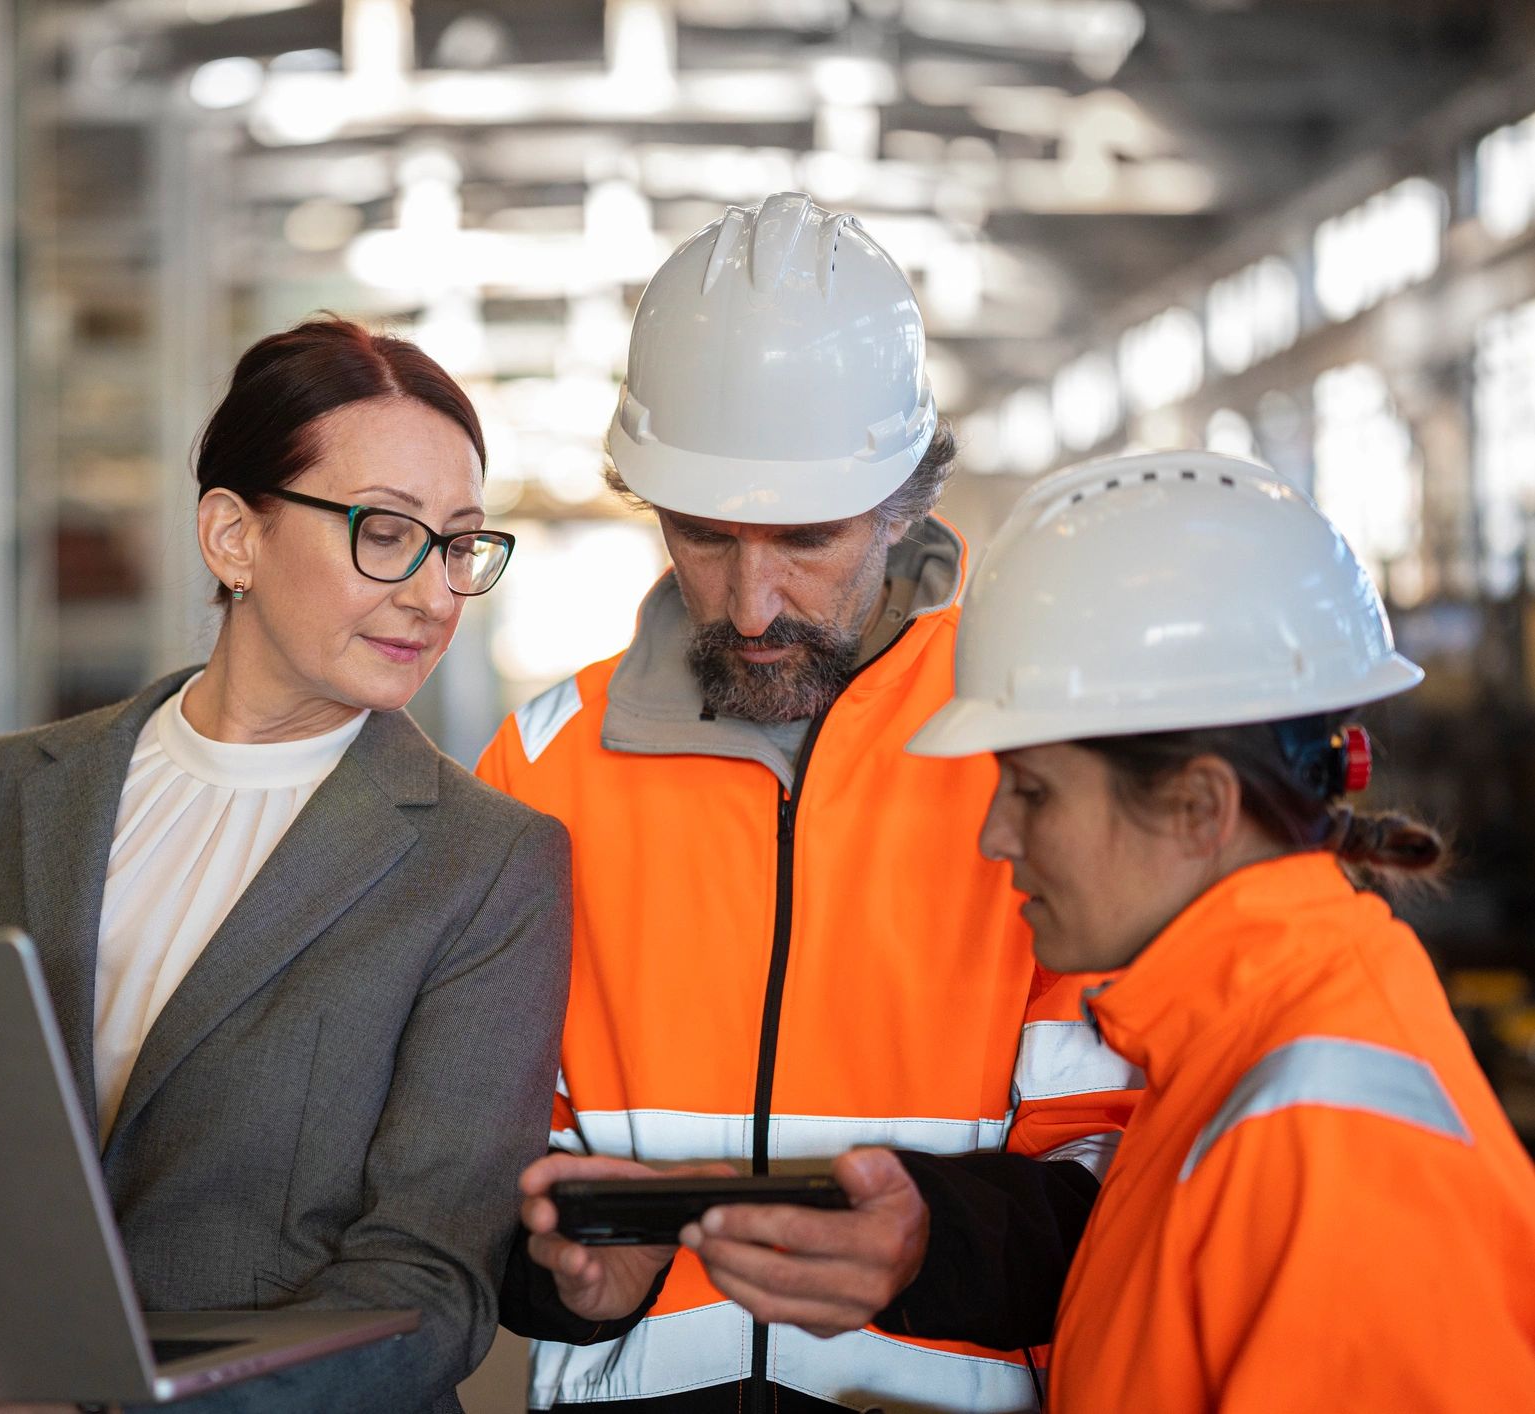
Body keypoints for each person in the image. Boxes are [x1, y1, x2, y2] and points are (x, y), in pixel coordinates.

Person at [0, 317, 573, 1414]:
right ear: (233, 536)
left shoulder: (487, 863)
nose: (434, 594)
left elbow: (428, 1290)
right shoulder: (10, 791)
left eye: (460, 542)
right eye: (386, 532)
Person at [478, 192, 1139, 1414]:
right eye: (705, 536)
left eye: (807, 539)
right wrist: (568, 1276)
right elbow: (465, 1166)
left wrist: (923, 1247)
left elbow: (1126, 1179)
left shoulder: (1034, 754)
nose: (750, 602)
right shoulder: (541, 767)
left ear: (905, 499)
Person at [905, 449, 1535, 1411]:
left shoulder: (1328, 1151)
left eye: (1031, 791)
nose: (994, 835)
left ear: (1200, 807)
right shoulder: (1233, 1057)